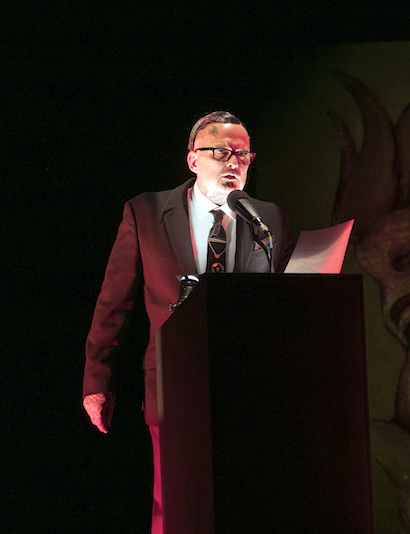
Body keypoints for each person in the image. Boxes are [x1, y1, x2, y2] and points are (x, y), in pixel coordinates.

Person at [82, 111, 293, 533]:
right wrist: (96, 382)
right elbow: (114, 302)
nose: (234, 162)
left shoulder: (267, 219)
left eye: (243, 155)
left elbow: (282, 305)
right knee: (176, 504)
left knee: (244, 503)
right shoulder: (145, 212)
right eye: (221, 152)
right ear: (193, 160)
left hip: (247, 383)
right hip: (173, 380)